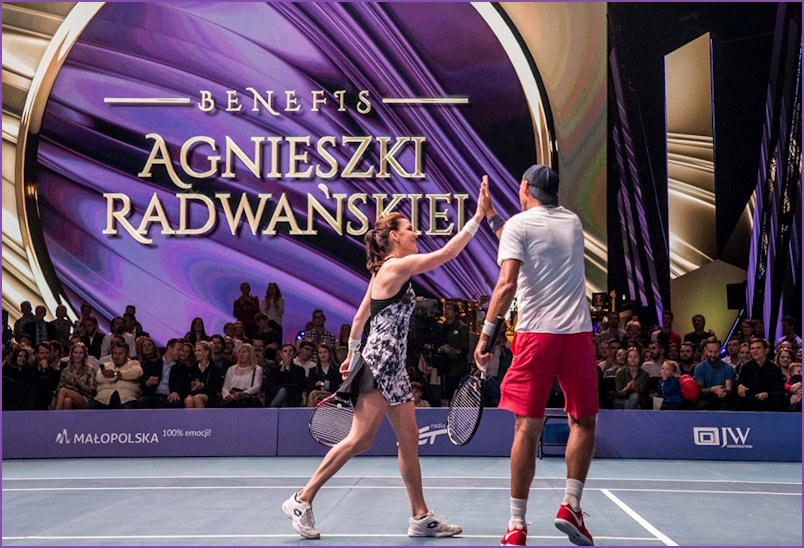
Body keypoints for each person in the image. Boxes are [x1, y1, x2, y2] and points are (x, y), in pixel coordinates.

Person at [282, 180, 488, 541]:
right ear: (393, 236)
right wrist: (477, 217)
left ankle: (420, 517)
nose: (415, 233)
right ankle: (302, 498)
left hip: (390, 366)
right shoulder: (394, 268)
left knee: (409, 438)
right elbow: (446, 255)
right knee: (360, 440)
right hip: (381, 365)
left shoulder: (383, 272)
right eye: (408, 229)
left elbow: (360, 318)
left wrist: (351, 353)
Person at [472, 166, 596, 547]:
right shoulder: (573, 223)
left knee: (527, 428)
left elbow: (508, 281)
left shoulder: (519, 227)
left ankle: (516, 526)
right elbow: (524, 238)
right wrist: (493, 217)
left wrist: (487, 335)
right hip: (576, 335)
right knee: (583, 421)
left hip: (535, 336)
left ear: (524, 187)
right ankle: (571, 506)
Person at [86, 342, 142, 409]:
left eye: (121, 354)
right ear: (112, 355)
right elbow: (99, 378)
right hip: (103, 398)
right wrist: (121, 376)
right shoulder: (106, 365)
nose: (117, 356)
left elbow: (136, 373)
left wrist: (114, 374)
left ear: (127, 354)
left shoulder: (134, 364)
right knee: (86, 411)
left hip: (126, 398)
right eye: (115, 353)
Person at [736, 338, 786, 411]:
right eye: (752, 348)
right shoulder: (746, 367)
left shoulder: (774, 368)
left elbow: (780, 391)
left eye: (758, 348)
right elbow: (740, 384)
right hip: (750, 401)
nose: (755, 351)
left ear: (766, 351)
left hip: (769, 402)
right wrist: (739, 387)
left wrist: (767, 394)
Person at [137, 338, 189, 409]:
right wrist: (148, 383)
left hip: (169, 397)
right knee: (142, 401)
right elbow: (142, 383)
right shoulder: (153, 364)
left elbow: (183, 385)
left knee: (176, 403)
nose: (181, 353)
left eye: (182, 350)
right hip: (153, 396)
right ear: (169, 348)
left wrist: (176, 392)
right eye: (179, 349)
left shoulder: (181, 367)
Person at [437, 301, 470, 402]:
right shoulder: (441, 327)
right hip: (444, 366)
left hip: (457, 368)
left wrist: (453, 350)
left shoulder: (461, 327)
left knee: (457, 395)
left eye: (449, 309)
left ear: (456, 312)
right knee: (444, 394)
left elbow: (465, 348)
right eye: (445, 309)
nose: (446, 311)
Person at [693, 339, 735, 410]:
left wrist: (724, 392)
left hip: (722, 399)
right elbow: (700, 390)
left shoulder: (728, 368)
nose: (713, 355)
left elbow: (728, 388)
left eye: (716, 352)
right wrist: (712, 389)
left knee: (725, 406)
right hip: (706, 398)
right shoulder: (699, 368)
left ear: (720, 350)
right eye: (710, 352)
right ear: (705, 350)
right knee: (703, 405)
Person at [53, 342, 96, 410]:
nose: (78, 355)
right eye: (75, 352)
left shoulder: (90, 370)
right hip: (67, 395)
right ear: (72, 354)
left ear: (84, 354)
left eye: (80, 353)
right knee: (67, 401)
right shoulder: (66, 370)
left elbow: (92, 391)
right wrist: (68, 387)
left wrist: (79, 383)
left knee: (63, 391)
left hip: (84, 398)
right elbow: (59, 388)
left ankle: (54, 416)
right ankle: (66, 420)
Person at [221, 343, 263, 407]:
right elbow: (225, 387)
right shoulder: (231, 369)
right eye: (239, 352)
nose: (241, 355)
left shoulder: (256, 369)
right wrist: (227, 395)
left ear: (250, 354)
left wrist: (243, 393)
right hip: (232, 396)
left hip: (246, 398)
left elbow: (257, 387)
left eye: (244, 352)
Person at [185, 340, 224, 408]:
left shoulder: (215, 368)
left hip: (210, 396)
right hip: (194, 394)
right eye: (195, 351)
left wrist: (203, 386)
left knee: (198, 398)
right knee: (189, 400)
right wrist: (192, 387)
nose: (196, 353)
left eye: (199, 350)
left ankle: (202, 418)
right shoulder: (192, 368)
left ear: (206, 352)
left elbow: (217, 387)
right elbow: (186, 387)